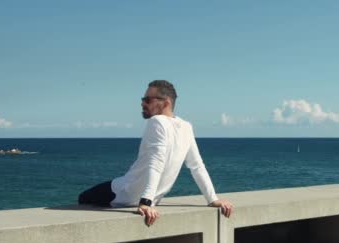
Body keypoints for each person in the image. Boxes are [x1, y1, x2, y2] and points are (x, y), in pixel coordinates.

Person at [78, 80, 233, 226]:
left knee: (83, 197)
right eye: (143, 99)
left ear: (166, 102)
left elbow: (156, 162)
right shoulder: (186, 126)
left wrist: (145, 202)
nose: (142, 103)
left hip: (123, 193)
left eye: (148, 100)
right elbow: (196, 166)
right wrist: (212, 199)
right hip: (151, 198)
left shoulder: (157, 121)